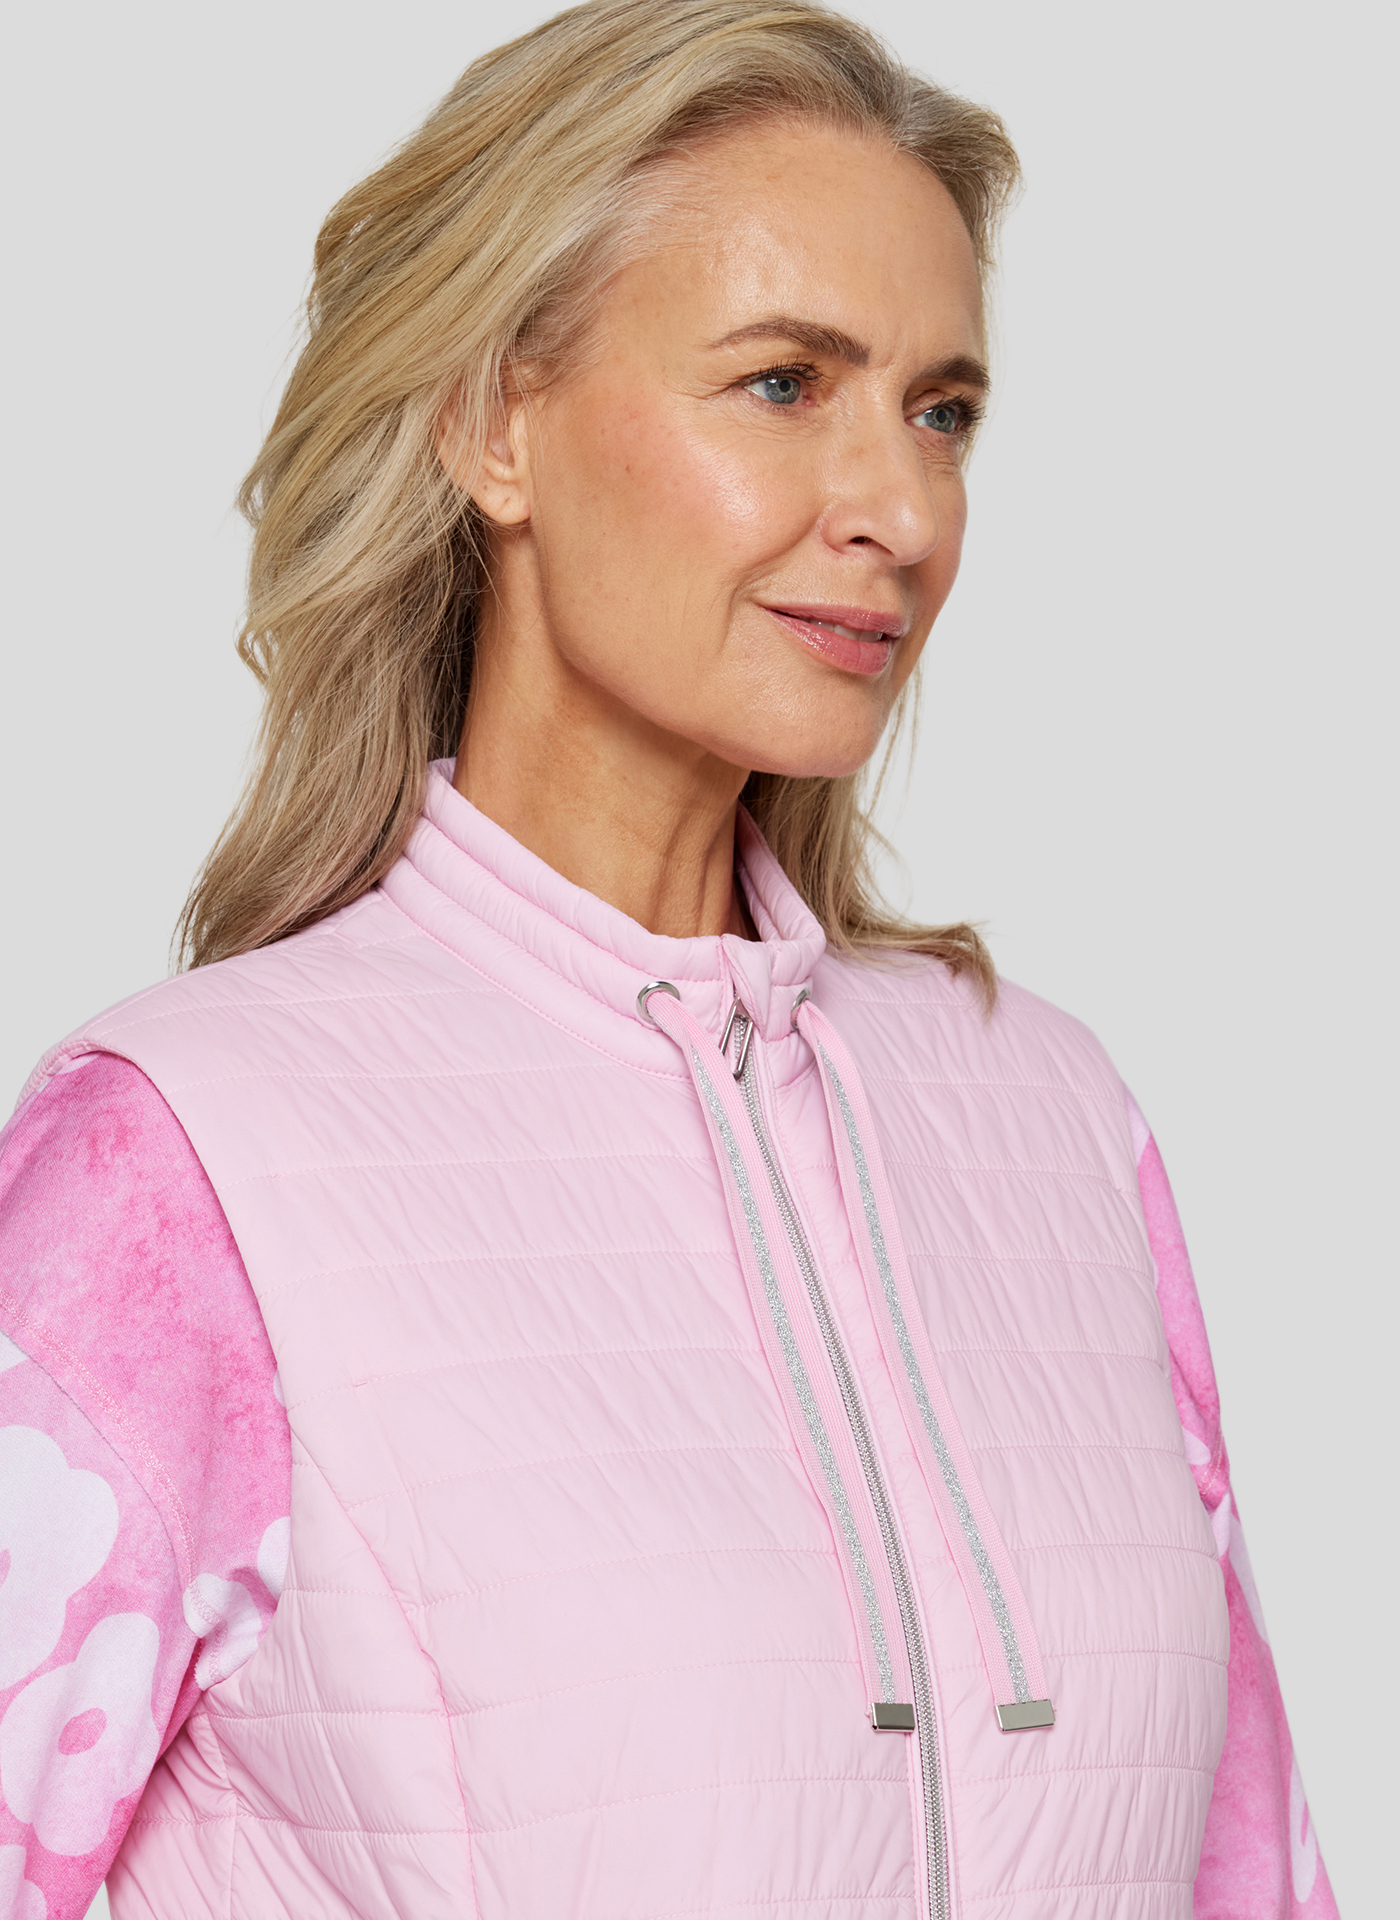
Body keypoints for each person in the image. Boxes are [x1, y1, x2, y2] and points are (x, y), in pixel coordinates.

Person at [0, 2, 1337, 1915]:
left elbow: (1252, 1875)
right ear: (494, 423)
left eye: (942, 411)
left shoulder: (1055, 1121)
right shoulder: (189, 1160)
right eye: (785, 384)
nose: (901, 512)